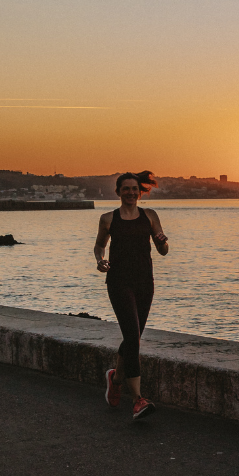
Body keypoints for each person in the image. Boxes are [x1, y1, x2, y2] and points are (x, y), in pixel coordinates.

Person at [94, 171, 169, 420]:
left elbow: (163, 250)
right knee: (133, 338)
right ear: (118, 192)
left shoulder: (149, 216)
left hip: (145, 283)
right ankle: (138, 400)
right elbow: (99, 245)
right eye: (125, 189)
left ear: (140, 191)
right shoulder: (108, 219)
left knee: (132, 337)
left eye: (134, 189)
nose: (130, 193)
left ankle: (115, 379)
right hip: (118, 282)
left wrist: (161, 241)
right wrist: (100, 260)